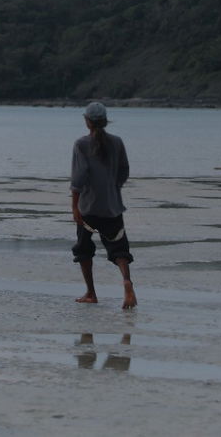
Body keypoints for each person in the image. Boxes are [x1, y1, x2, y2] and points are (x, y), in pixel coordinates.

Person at [70, 101, 136, 309]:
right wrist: (113, 188)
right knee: (119, 248)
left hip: (88, 206)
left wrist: (74, 207)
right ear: (105, 121)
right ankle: (126, 282)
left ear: (87, 122)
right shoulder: (117, 142)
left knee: (84, 248)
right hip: (112, 206)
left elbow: (79, 178)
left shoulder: (81, 144)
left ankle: (91, 292)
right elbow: (124, 171)